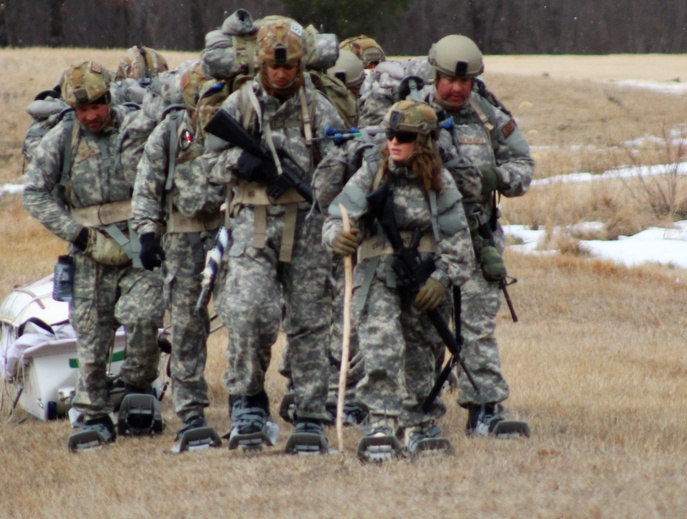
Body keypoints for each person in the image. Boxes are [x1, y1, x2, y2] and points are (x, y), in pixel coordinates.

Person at [203, 17, 347, 454]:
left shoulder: (320, 108)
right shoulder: (240, 105)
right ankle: (247, 402)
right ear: (262, 65)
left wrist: (317, 186)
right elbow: (202, 168)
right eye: (274, 66)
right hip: (254, 221)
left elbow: (343, 162)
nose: (282, 74)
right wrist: (238, 164)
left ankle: (309, 412)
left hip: (307, 223)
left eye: (290, 67)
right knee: (247, 312)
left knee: (309, 321)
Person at [23, 61, 165, 450]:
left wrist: (154, 231)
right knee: (91, 338)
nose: (91, 115)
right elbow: (33, 192)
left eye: (98, 106)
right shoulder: (62, 140)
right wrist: (80, 236)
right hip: (89, 253)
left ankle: (137, 391)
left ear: (109, 98)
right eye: (83, 109)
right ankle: (93, 415)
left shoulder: (139, 129)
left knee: (143, 319)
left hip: (139, 246)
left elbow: (166, 172)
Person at [325, 99, 475, 462]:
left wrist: (442, 279)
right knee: (381, 344)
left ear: (424, 142)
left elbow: (459, 243)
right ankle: (380, 423)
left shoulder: (441, 182)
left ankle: (419, 424)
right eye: (391, 135)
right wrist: (338, 238)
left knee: (423, 350)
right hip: (376, 273)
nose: (394, 143)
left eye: (404, 137)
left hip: (423, 278)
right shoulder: (372, 172)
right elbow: (337, 216)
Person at [415, 35, 535, 438]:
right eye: (449, 79)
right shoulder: (410, 112)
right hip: (423, 242)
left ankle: (484, 410)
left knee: (477, 328)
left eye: (465, 82)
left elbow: (523, 164)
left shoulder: (488, 115)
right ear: (435, 75)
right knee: (424, 330)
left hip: (476, 240)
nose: (457, 88)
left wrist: (495, 177)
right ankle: (417, 416)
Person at [130, 61, 227, 452]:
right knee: (187, 326)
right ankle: (191, 414)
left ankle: (246, 404)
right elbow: (146, 187)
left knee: (241, 315)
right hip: (184, 240)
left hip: (229, 233)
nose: (209, 109)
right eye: (203, 102)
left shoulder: (234, 130)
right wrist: (148, 234)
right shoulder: (169, 135)